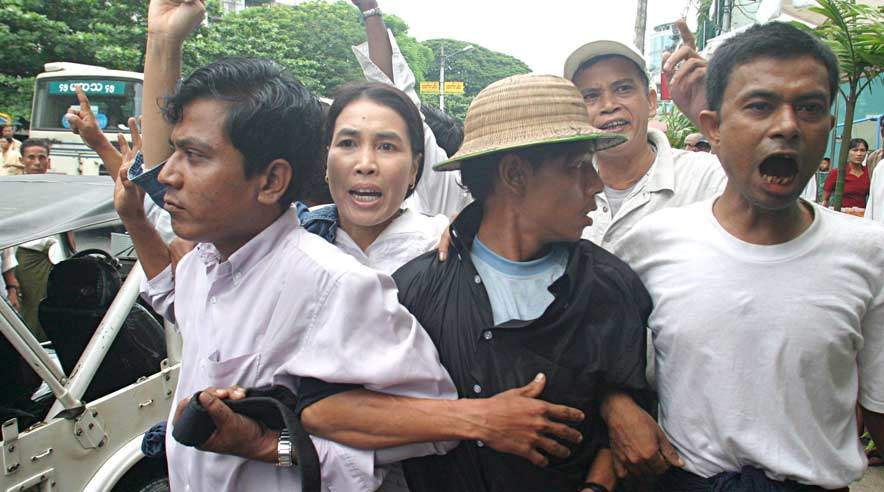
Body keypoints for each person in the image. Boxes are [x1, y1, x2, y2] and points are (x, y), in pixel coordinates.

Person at [617, 22, 884, 491]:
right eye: (760, 106)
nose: (787, 126)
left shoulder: (869, 253)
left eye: (810, 108)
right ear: (713, 128)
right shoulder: (651, 243)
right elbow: (600, 361)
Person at [563, 24, 727, 253]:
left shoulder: (706, 176)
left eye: (623, 89)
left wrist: (719, 111)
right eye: (591, 96)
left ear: (651, 102)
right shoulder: (562, 187)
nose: (609, 106)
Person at [823, 137, 870, 208]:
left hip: (862, 216)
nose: (859, 154)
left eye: (862, 150)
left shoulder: (869, 172)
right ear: (847, 152)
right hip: (841, 215)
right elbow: (825, 200)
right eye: (855, 150)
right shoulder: (837, 172)